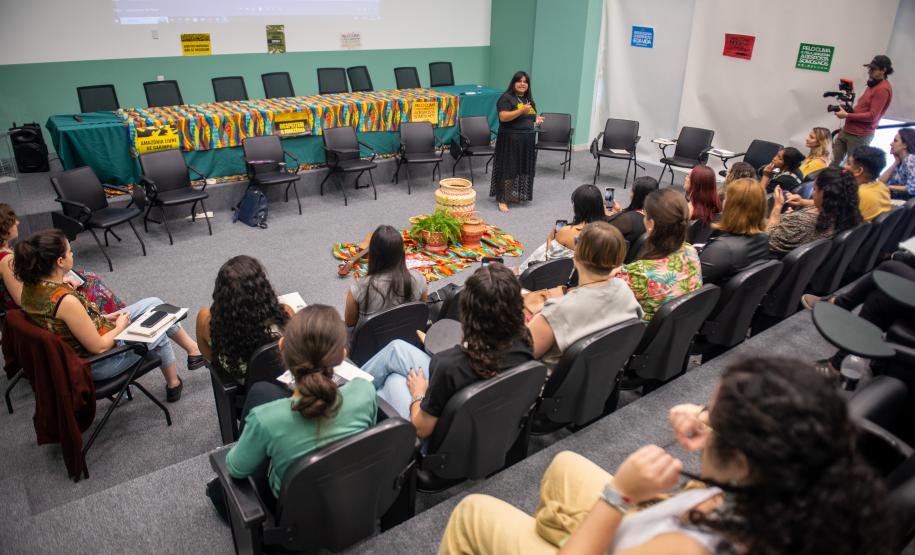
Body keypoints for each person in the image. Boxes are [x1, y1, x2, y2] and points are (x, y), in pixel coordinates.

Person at [437, 356, 892, 555]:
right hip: (661, 520)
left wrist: (618, 496)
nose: (700, 417)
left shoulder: (685, 549)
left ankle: (561, 535)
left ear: (744, 458)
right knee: (565, 464)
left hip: (632, 533)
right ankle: (557, 530)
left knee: (474, 511)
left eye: (712, 415)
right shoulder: (790, 497)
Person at [14, 230, 203, 402]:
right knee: (160, 326)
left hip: (79, 348)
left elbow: (71, 324)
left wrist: (104, 318)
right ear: (59, 262)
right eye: (69, 252)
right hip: (99, 364)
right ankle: (174, 383)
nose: (72, 254)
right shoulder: (65, 301)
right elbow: (99, 347)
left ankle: (193, 351)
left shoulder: (31, 289)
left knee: (155, 303)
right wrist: (121, 325)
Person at [220, 305, 377, 499]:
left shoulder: (266, 419)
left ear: (282, 347)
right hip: (351, 493)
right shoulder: (365, 390)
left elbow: (235, 469)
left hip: (291, 514)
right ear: (342, 356)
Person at [359, 263, 534, 435]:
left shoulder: (450, 366)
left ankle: (351, 408)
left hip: (441, 441)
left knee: (392, 381)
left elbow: (422, 429)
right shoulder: (525, 342)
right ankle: (352, 391)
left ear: (467, 311)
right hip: (488, 422)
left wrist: (418, 393)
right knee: (396, 349)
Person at [527, 222, 643, 369]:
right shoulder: (624, 289)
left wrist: (538, 318)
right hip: (602, 376)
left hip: (549, 387)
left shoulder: (556, 311)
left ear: (576, 257)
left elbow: (521, 357)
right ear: (618, 261)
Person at [0, 203, 123, 313]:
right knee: (91, 284)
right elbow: (20, 299)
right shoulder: (6, 260)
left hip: (36, 291)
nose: (17, 223)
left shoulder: (6, 250)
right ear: (3, 228)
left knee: (87, 277)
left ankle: (113, 315)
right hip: (32, 306)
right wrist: (57, 285)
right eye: (11, 221)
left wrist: (58, 280)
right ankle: (114, 317)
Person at [195, 255, 292, 382]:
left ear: (221, 292)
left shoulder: (206, 319)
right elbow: (296, 350)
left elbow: (209, 355)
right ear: (263, 288)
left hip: (240, 387)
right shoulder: (285, 313)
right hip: (280, 380)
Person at [617, 189, 703, 320]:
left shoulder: (640, 273)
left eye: (645, 215)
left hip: (640, 335)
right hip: (676, 329)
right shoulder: (691, 252)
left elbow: (606, 296)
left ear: (652, 224)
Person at [344, 225, 428, 327]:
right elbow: (422, 310)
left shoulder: (358, 288)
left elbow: (350, 322)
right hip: (408, 339)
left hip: (372, 342)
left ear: (372, 255)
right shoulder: (419, 279)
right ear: (401, 253)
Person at [767, 167, 862, 256]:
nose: (812, 193)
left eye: (815, 189)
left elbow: (767, 240)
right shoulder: (843, 213)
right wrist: (801, 204)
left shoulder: (802, 224)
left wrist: (777, 206)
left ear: (824, 194)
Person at [520, 184, 607, 272]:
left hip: (569, 276)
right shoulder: (608, 229)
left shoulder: (566, 232)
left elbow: (550, 261)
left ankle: (521, 270)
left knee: (544, 248)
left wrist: (549, 240)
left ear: (578, 207)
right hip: (595, 272)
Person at [491, 71, 545, 213]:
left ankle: (509, 195)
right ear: (514, 83)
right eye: (519, 81)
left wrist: (536, 119)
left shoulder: (528, 100)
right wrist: (521, 111)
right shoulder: (506, 98)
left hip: (526, 141)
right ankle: (502, 199)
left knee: (519, 169)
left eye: (525, 82)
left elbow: (530, 117)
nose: (522, 84)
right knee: (508, 169)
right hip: (510, 141)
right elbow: (503, 117)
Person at [699, 179, 769, 285]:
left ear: (732, 206)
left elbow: (693, 283)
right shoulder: (764, 238)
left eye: (727, 197)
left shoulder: (721, 249)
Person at [832, 55, 893, 167]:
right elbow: (863, 108)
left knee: (851, 168)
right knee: (833, 162)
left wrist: (847, 115)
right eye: (869, 68)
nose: (869, 72)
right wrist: (849, 112)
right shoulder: (872, 85)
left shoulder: (882, 89)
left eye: (873, 69)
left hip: (859, 135)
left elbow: (872, 116)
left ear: (884, 70)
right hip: (848, 130)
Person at [605, 176, 659, 246]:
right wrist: (620, 211)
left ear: (636, 195)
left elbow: (603, 231)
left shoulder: (629, 219)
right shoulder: (656, 215)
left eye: (632, 191)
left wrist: (606, 215)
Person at [844, 145, 891, 222]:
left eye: (848, 164)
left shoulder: (856, 195)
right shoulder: (882, 187)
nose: (844, 167)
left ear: (859, 171)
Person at [683, 165, 721, 245]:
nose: (685, 178)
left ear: (695, 183)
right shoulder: (715, 207)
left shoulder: (687, 210)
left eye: (688, 176)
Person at [880, 128, 915, 199]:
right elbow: (881, 182)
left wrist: (889, 187)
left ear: (905, 145)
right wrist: (896, 162)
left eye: (895, 141)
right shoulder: (900, 162)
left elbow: (913, 188)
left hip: (905, 205)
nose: (891, 143)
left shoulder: (910, 159)